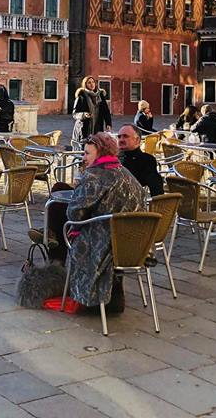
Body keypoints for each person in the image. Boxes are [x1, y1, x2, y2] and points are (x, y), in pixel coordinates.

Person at [65, 132, 145, 313]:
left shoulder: (95, 175)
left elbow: (74, 213)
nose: (83, 157)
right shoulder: (124, 171)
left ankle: (76, 292)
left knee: (64, 225)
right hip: (136, 244)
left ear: (99, 154)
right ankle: (113, 295)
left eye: (86, 153)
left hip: (105, 245)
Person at [117, 124, 163, 196]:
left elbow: (156, 189)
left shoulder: (146, 160)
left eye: (125, 136)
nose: (121, 140)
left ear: (137, 140)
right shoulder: (112, 158)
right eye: (119, 137)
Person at [71, 76, 101, 149]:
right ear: (85, 84)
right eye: (89, 83)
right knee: (82, 152)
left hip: (95, 129)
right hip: (83, 129)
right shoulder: (81, 97)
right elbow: (74, 114)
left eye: (93, 82)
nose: (92, 84)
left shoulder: (99, 97)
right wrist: (84, 114)